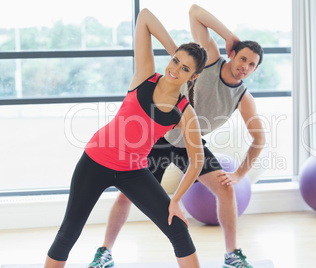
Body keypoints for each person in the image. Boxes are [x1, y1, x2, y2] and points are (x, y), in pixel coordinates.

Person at [89, 4, 265, 268]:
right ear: (233, 55)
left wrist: (240, 174)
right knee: (126, 194)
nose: (245, 67)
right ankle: (105, 252)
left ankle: (232, 255)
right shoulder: (211, 60)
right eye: (243, 59)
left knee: (227, 191)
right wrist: (229, 35)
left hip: (189, 144)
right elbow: (195, 11)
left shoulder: (243, 97)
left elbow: (259, 139)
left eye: (252, 65)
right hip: (159, 136)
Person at [44, 8, 208, 268]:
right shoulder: (145, 75)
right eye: (175, 60)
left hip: (133, 170)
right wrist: (178, 50)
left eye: (186, 68)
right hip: (95, 161)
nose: (176, 69)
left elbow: (196, 162)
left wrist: (175, 200)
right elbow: (144, 16)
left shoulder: (185, 112)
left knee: (178, 228)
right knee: (68, 233)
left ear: (194, 76)